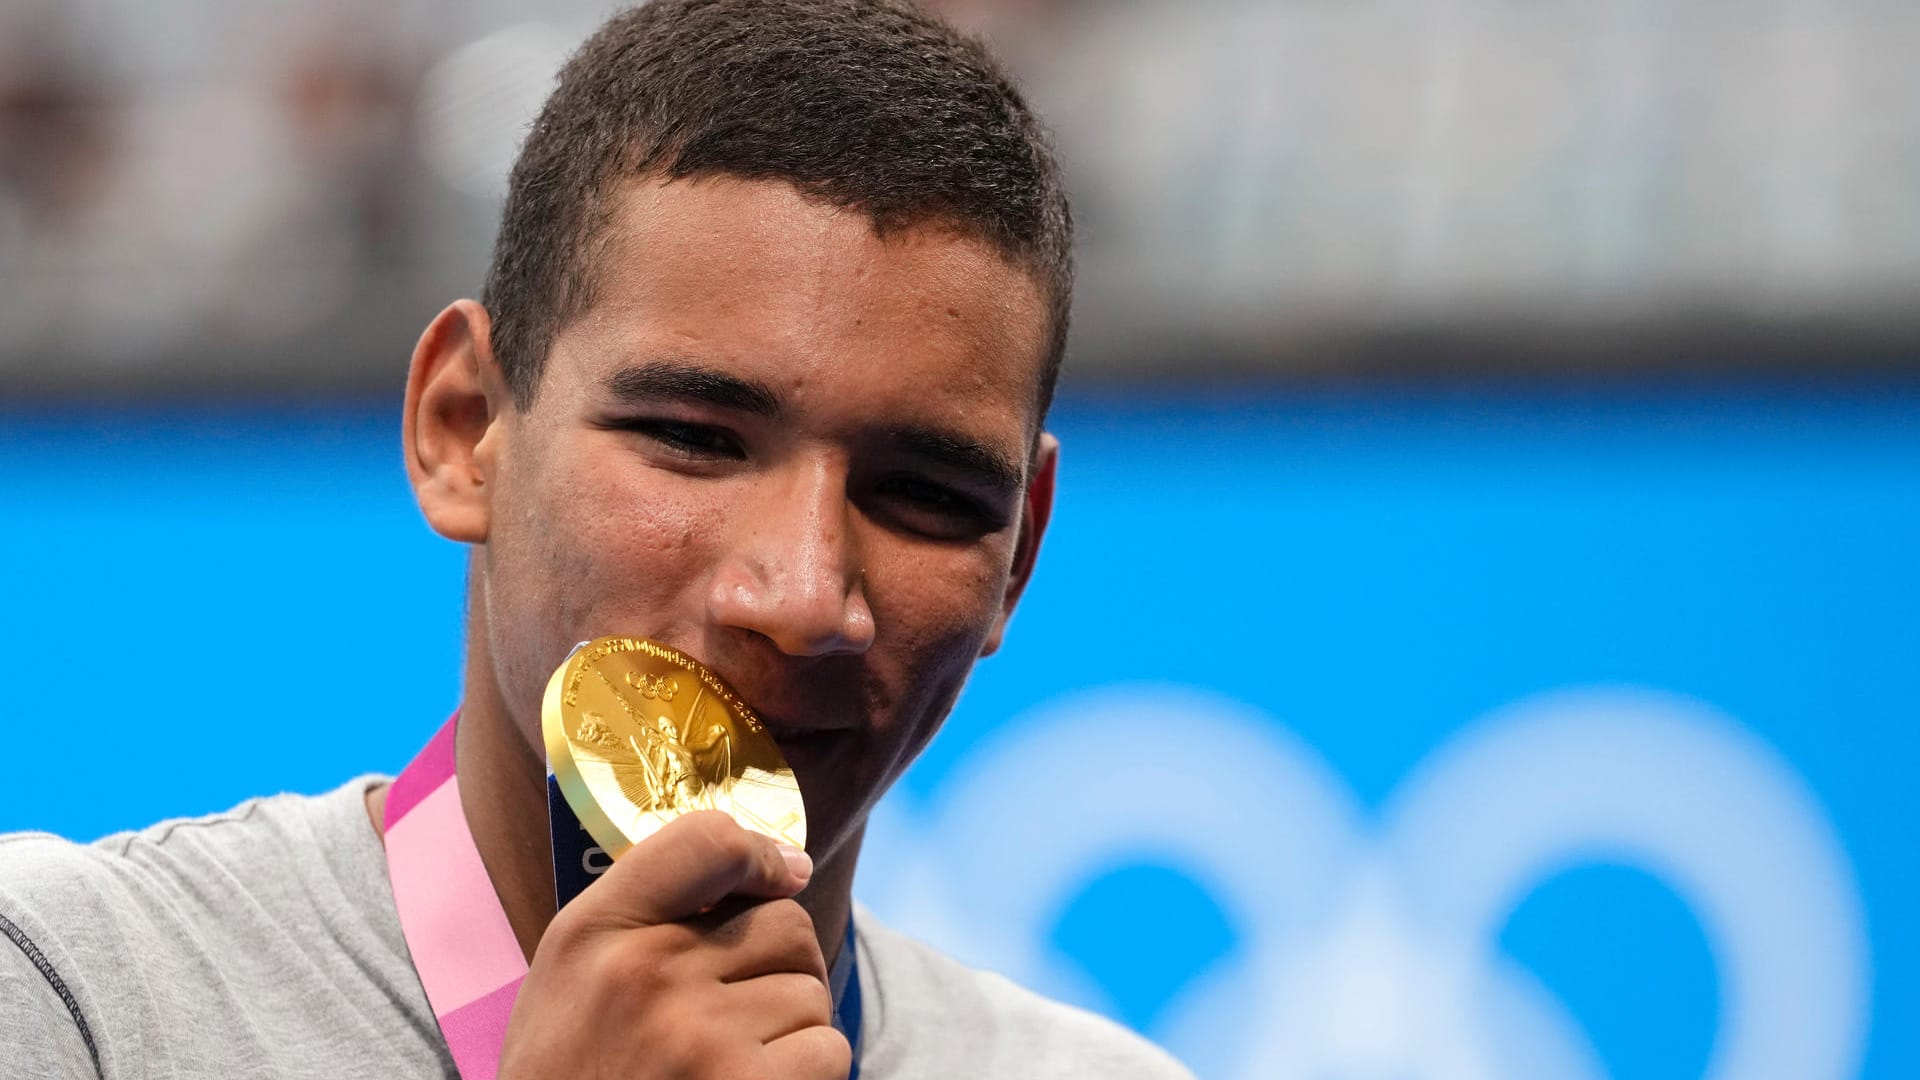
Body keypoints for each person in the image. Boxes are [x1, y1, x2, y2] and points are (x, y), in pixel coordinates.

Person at [0, 1, 1195, 1078]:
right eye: (693, 438)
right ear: (463, 427)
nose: (804, 592)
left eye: (926, 494)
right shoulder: (70, 998)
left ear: (1020, 558)